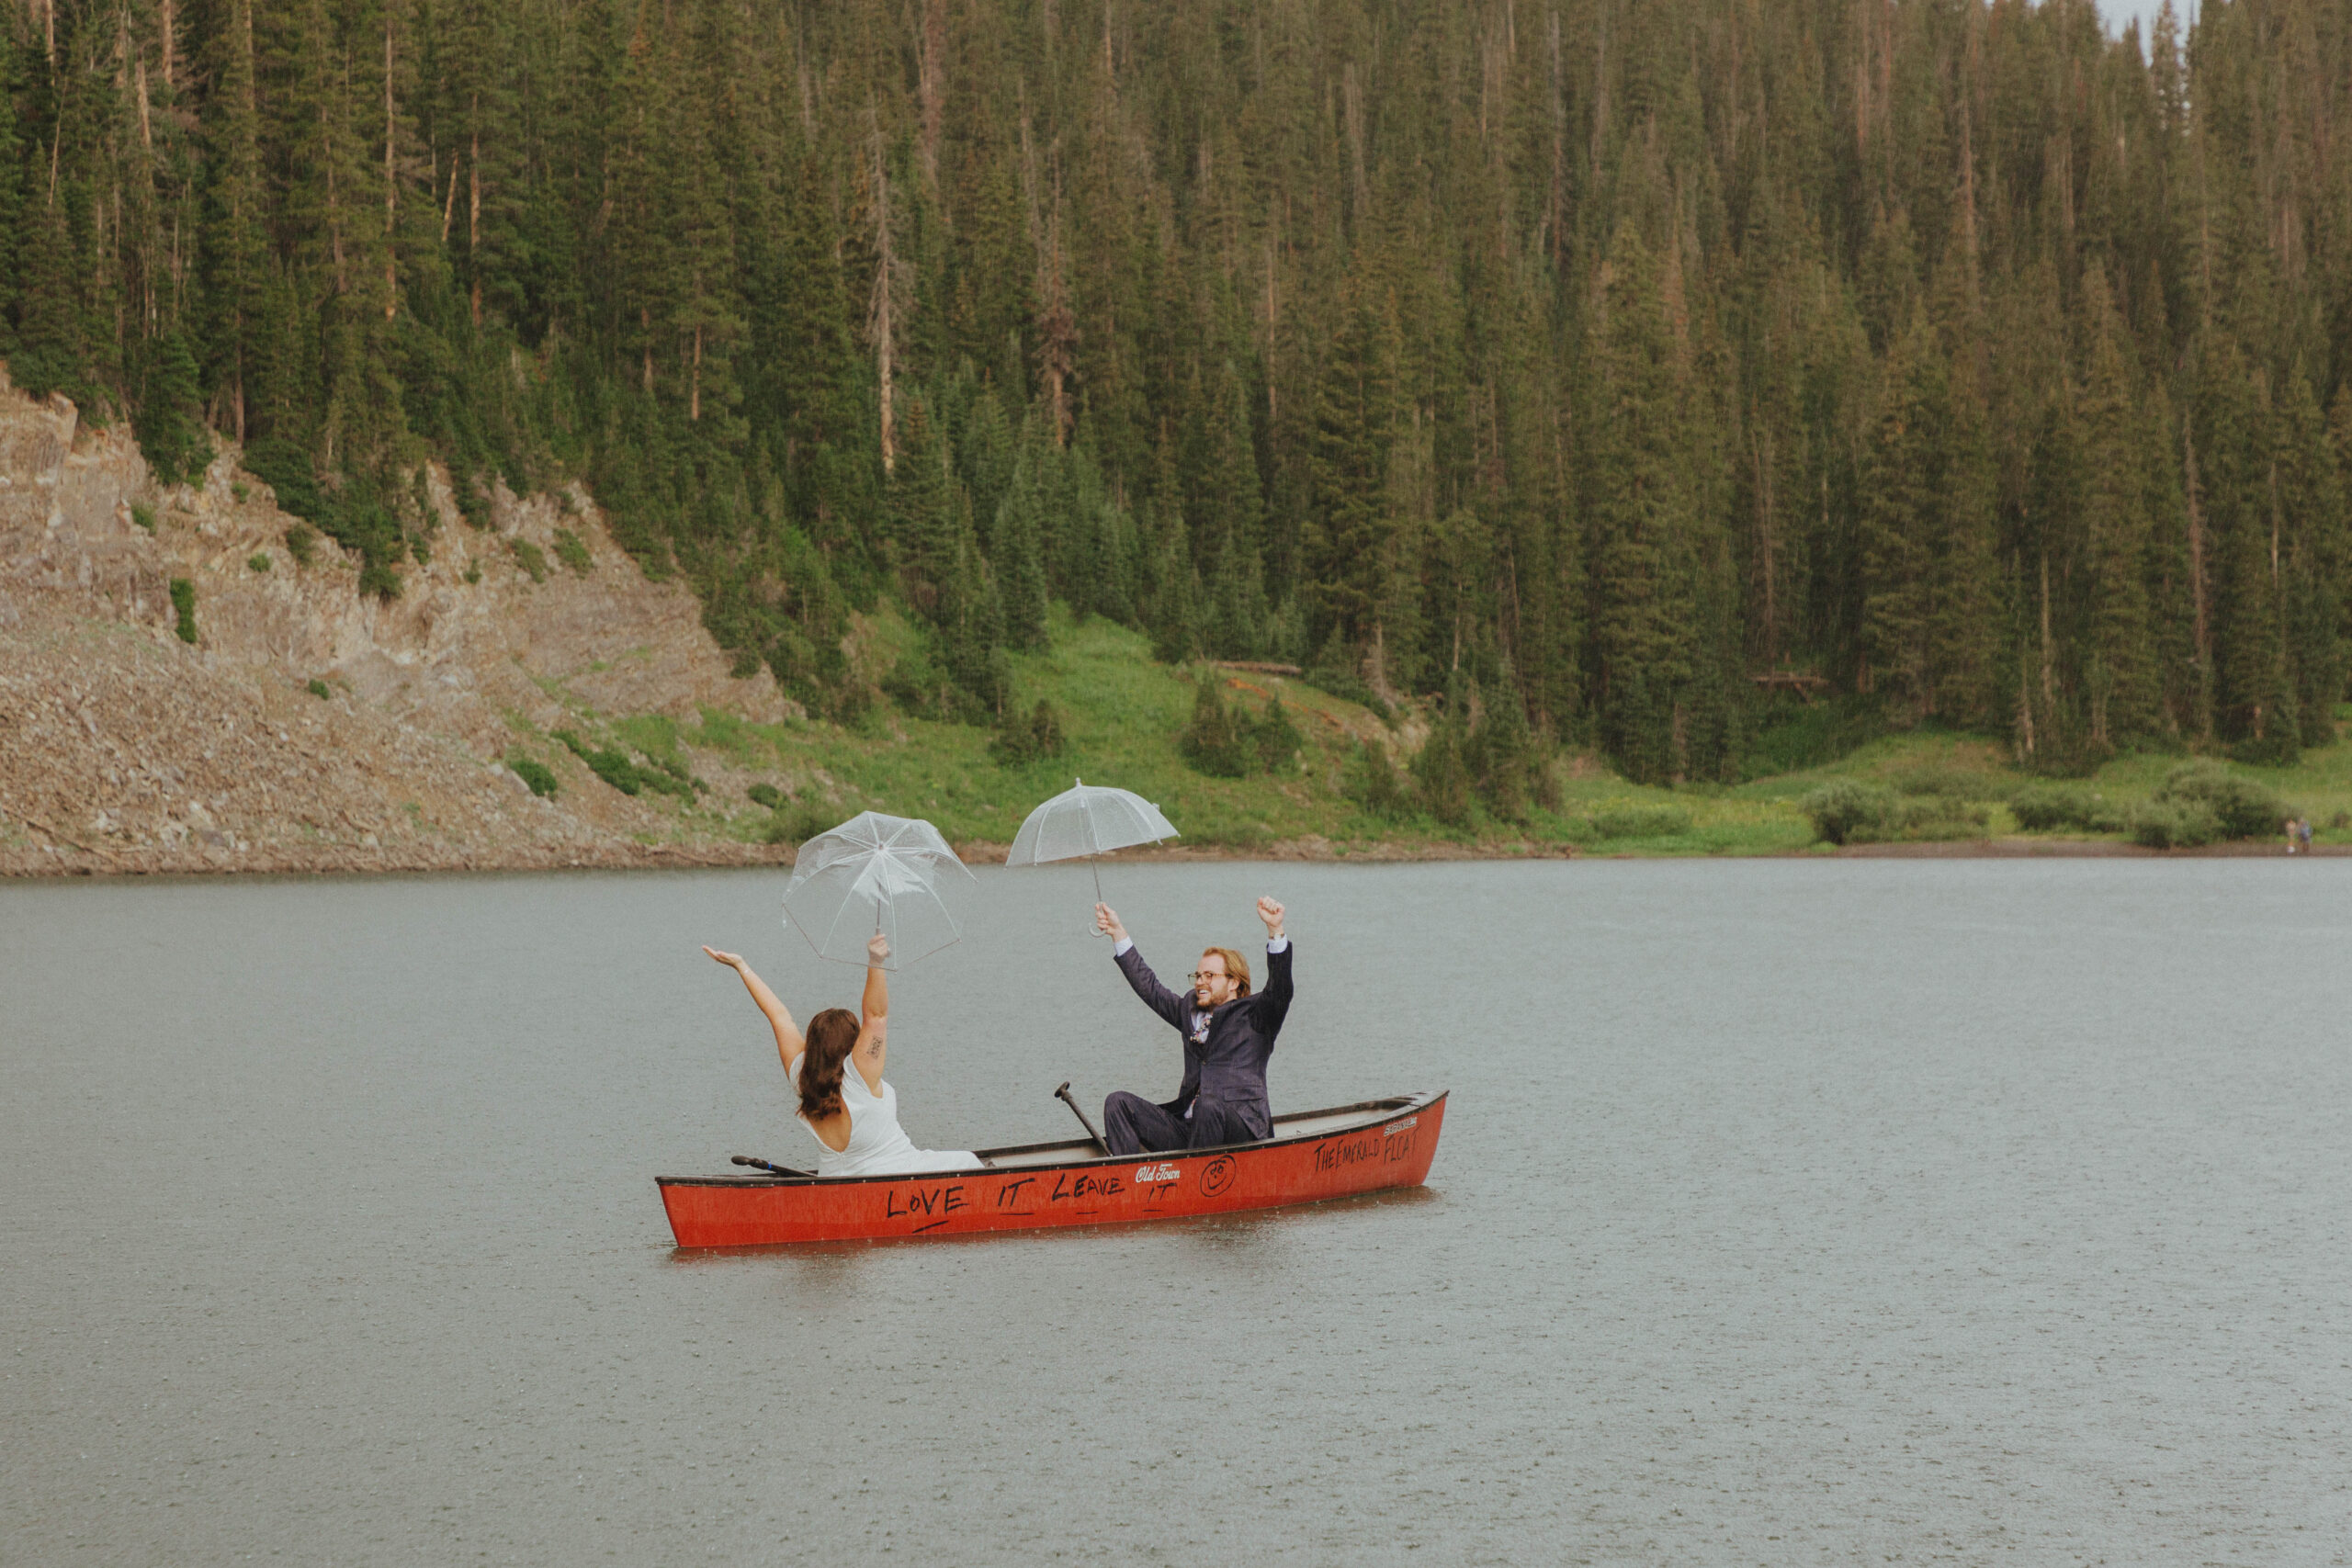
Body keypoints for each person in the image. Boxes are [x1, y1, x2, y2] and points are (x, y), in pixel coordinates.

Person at [702, 934, 981, 1178]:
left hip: (834, 1181)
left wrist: (742, 967)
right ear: (853, 1044)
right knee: (968, 1160)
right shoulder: (860, 1074)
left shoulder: (801, 1075)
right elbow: (876, 1015)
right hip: (897, 1172)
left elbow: (779, 1018)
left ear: (812, 1044)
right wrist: (876, 961)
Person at [1092, 895, 1293, 1156]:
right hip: (1189, 1130)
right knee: (1118, 1102)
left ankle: (1195, 1185)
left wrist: (1275, 931)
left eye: (1210, 976)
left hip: (1241, 1130)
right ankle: (1127, 1180)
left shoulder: (1256, 1016)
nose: (1200, 982)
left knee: (1208, 1106)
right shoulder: (1187, 1012)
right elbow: (1150, 988)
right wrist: (1118, 932)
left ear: (1234, 983)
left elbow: (1280, 988)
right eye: (1198, 976)